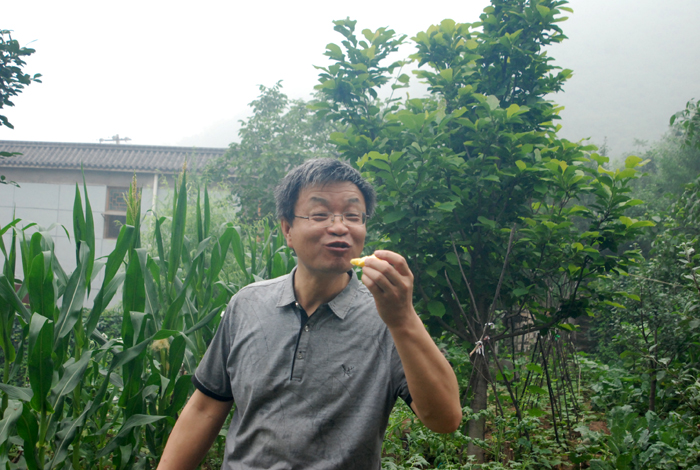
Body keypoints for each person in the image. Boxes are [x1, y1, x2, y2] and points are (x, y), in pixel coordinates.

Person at [157, 158, 461, 469]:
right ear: (287, 229)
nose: (340, 227)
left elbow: (446, 419)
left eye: (353, 216)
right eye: (320, 214)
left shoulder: (388, 317)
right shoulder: (247, 304)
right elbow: (205, 409)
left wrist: (403, 319)